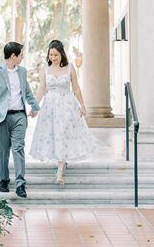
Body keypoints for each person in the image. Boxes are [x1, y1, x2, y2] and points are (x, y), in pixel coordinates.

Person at [29, 39, 100, 185]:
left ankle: (60, 171)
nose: (53, 58)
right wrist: (35, 107)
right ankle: (61, 162)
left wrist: (83, 105)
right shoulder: (45, 69)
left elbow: (76, 88)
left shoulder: (69, 68)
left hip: (67, 106)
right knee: (54, 134)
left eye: (55, 55)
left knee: (62, 134)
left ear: (61, 54)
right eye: (51, 55)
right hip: (50, 107)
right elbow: (41, 89)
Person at [0, 41, 40, 198]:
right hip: (0, 118)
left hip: (19, 115)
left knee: (18, 148)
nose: (22, 57)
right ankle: (4, 180)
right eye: (21, 54)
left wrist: (35, 107)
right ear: (13, 55)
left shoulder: (22, 72)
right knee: (3, 151)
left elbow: (27, 92)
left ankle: (20, 184)